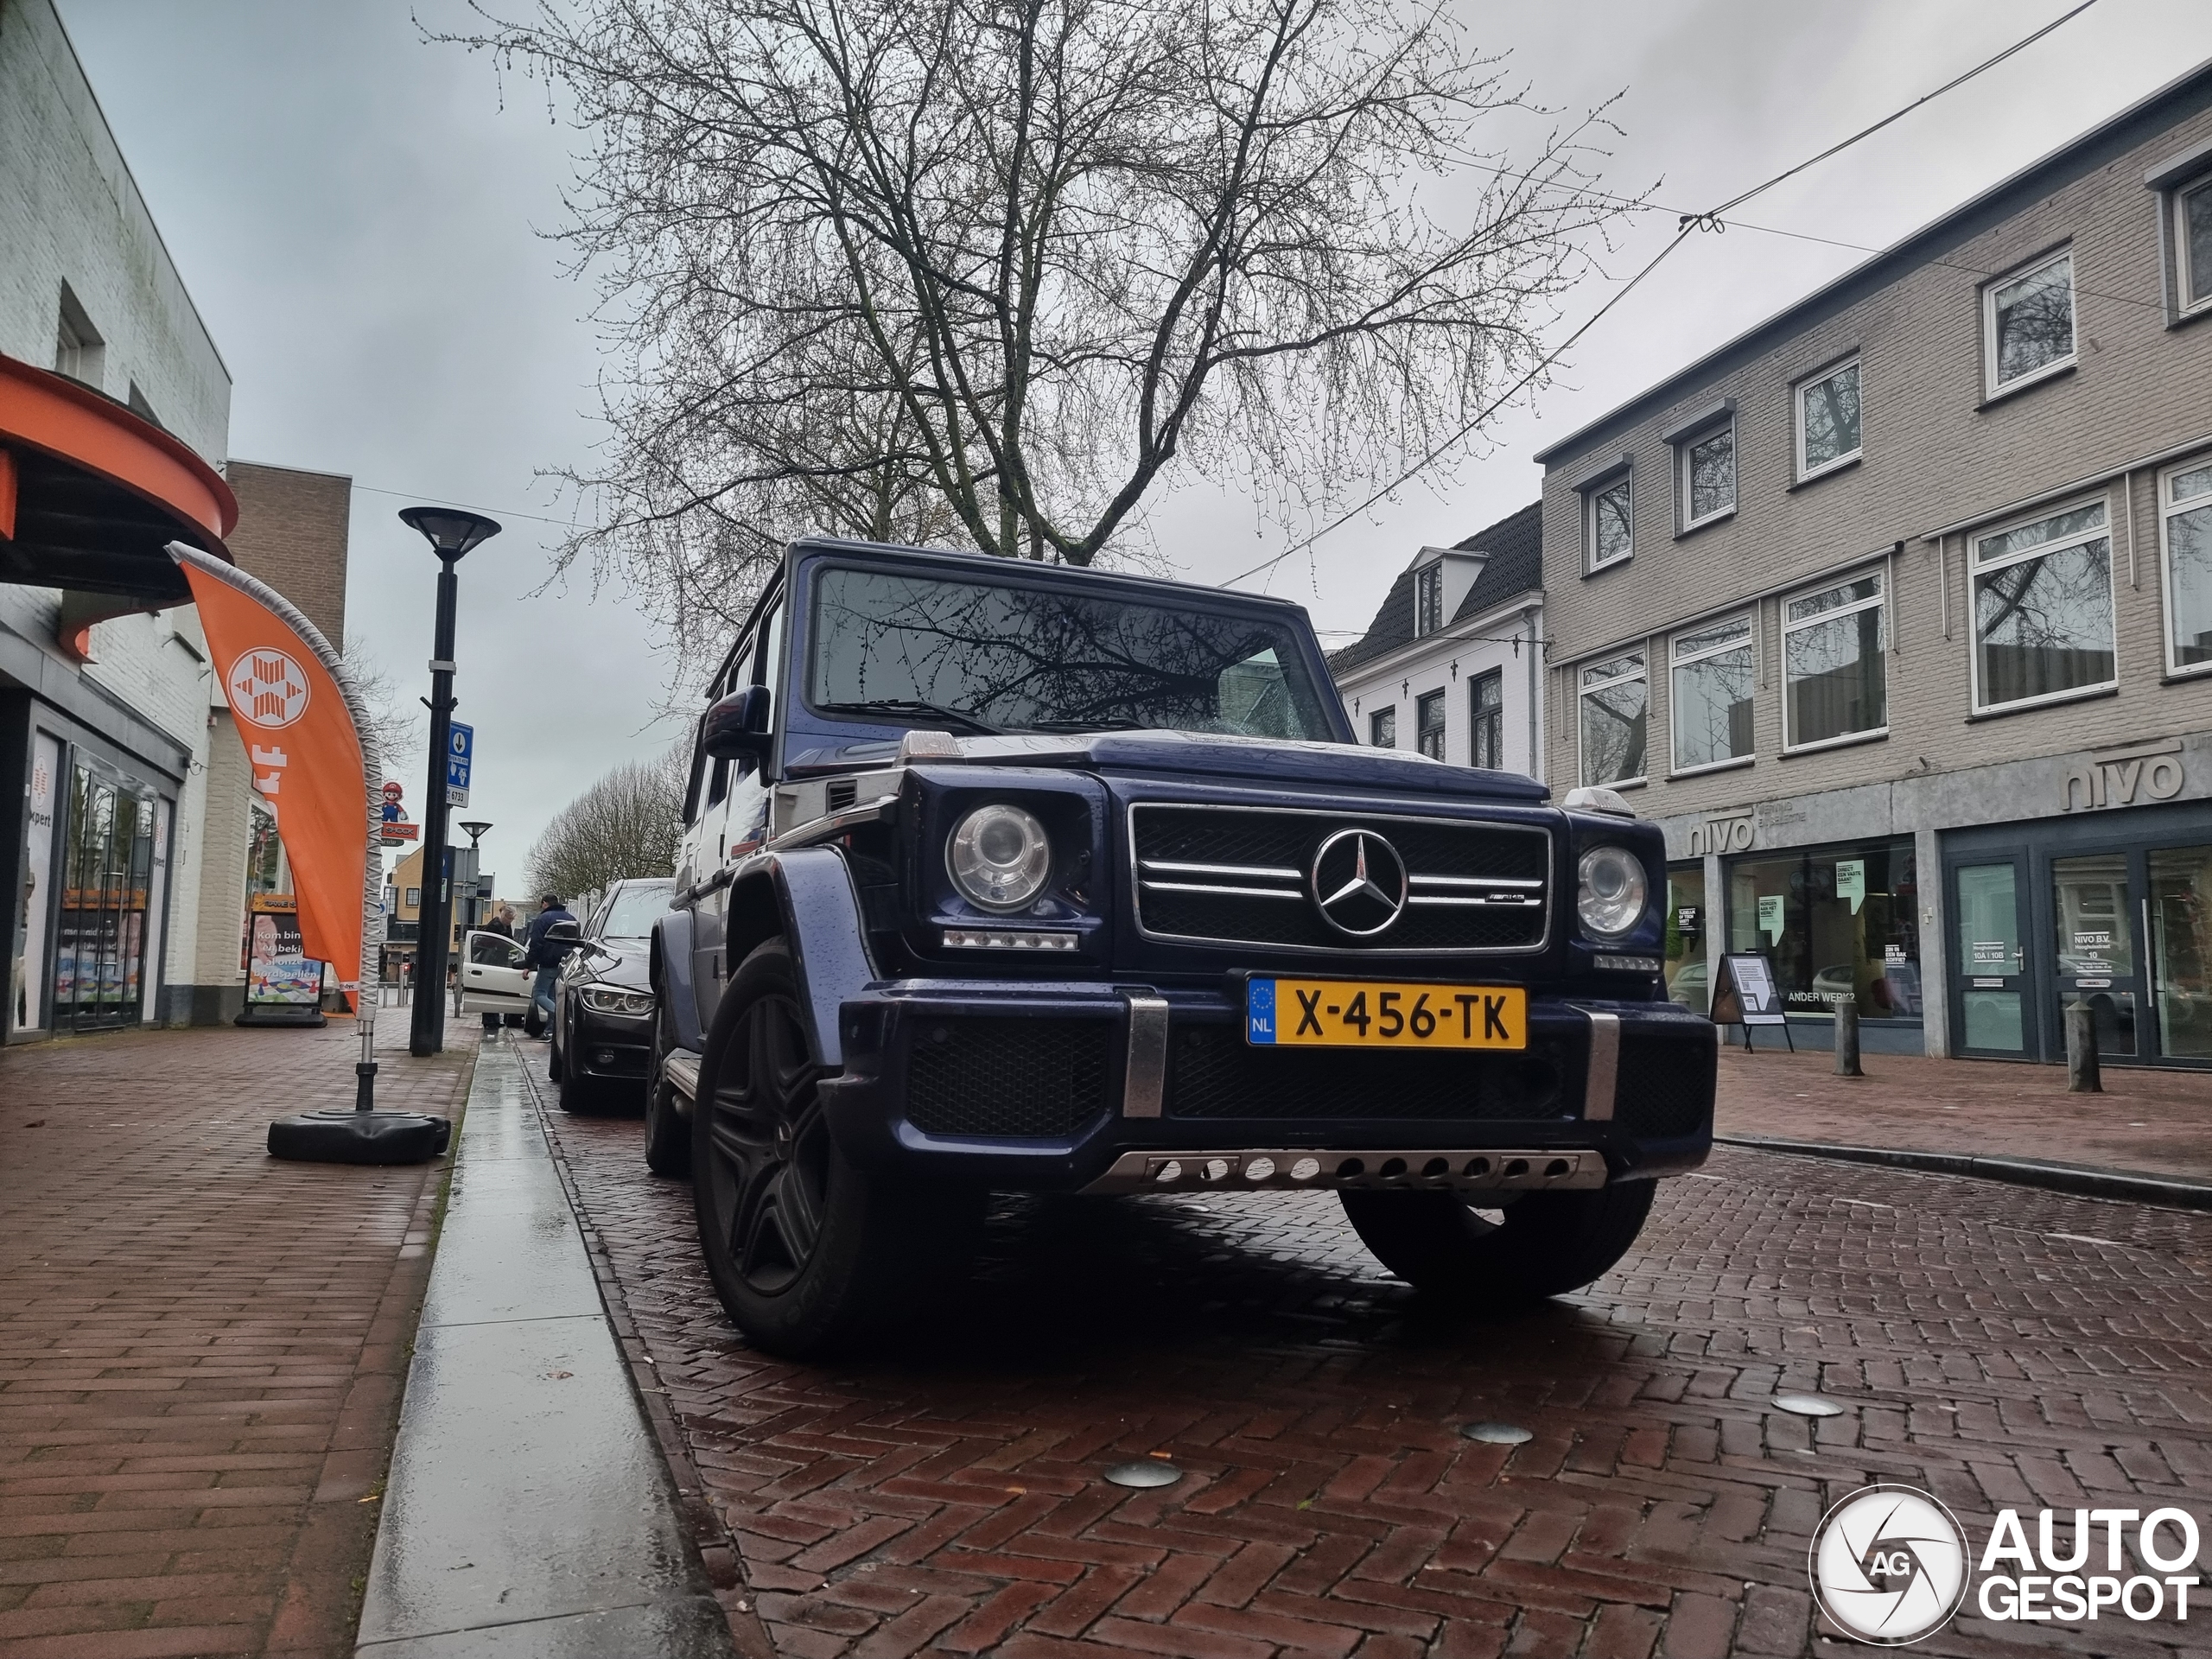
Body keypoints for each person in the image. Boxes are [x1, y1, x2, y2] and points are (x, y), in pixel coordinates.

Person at [521, 893, 577, 1036]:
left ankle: (562, 1016)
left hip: (548, 962)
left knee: (539, 994)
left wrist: (528, 964)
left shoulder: (543, 919)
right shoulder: (571, 919)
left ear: (545, 903)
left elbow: (536, 943)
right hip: (567, 963)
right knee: (553, 997)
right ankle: (551, 1032)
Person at [478, 904, 515, 1033]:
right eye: (509, 918)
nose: (510, 921)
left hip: (499, 961)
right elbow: (490, 943)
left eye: (512, 919)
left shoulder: (505, 926)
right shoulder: (494, 927)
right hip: (491, 961)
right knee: (490, 991)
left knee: (496, 991)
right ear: (504, 916)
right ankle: (489, 1020)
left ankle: (494, 1019)